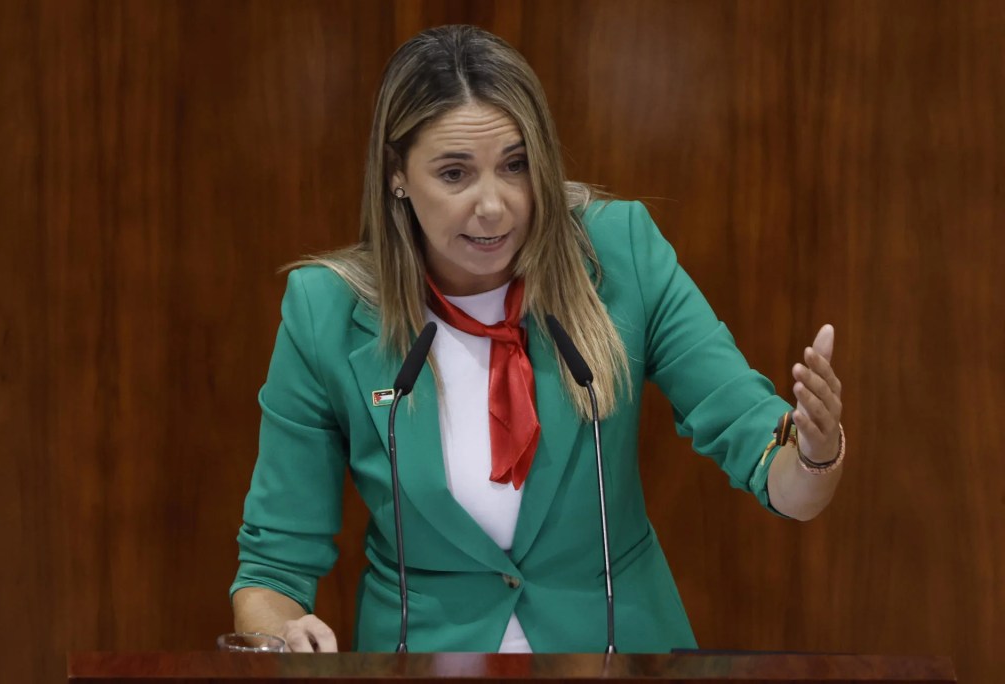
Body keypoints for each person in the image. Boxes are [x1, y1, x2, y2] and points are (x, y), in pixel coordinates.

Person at [229, 24, 845, 654]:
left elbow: (773, 465)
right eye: (454, 173)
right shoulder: (325, 311)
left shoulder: (619, 256)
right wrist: (281, 633)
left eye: (516, 166)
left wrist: (817, 452)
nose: (493, 205)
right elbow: (272, 569)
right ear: (397, 176)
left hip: (615, 658)